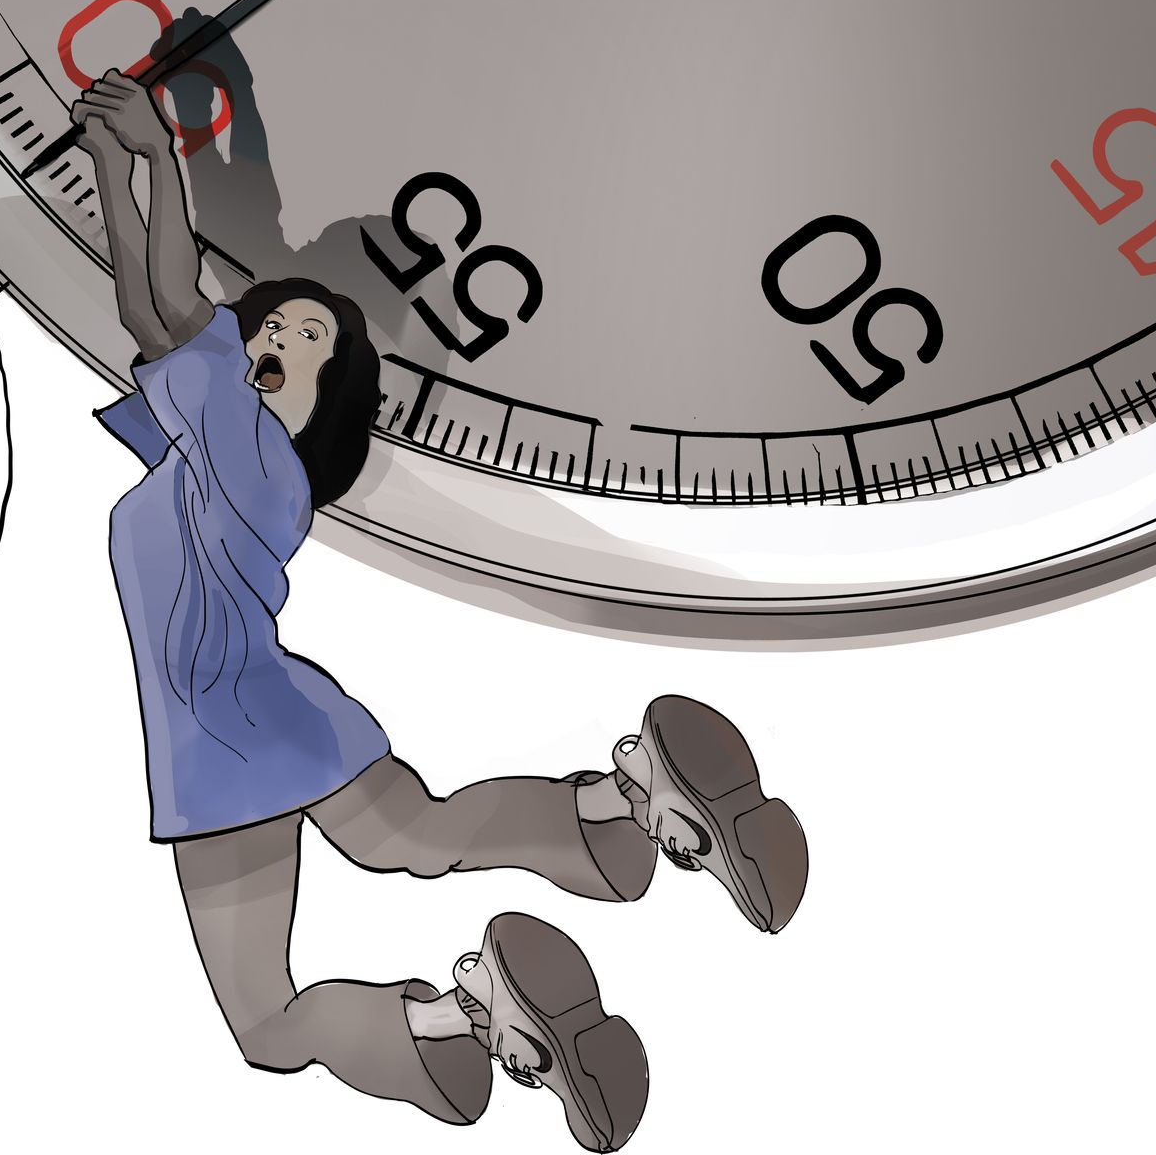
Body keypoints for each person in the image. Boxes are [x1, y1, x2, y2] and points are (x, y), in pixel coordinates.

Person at [76, 67, 807, 1149]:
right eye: (271, 329)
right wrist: (125, 156)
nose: (272, 344)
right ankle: (623, 813)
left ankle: (480, 993)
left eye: (307, 343)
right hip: (247, 724)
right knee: (409, 839)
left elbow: (167, 303)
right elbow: (158, 314)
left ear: (323, 403)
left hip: (223, 743)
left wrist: (149, 152)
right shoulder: (208, 455)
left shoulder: (256, 457)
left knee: (272, 1019)